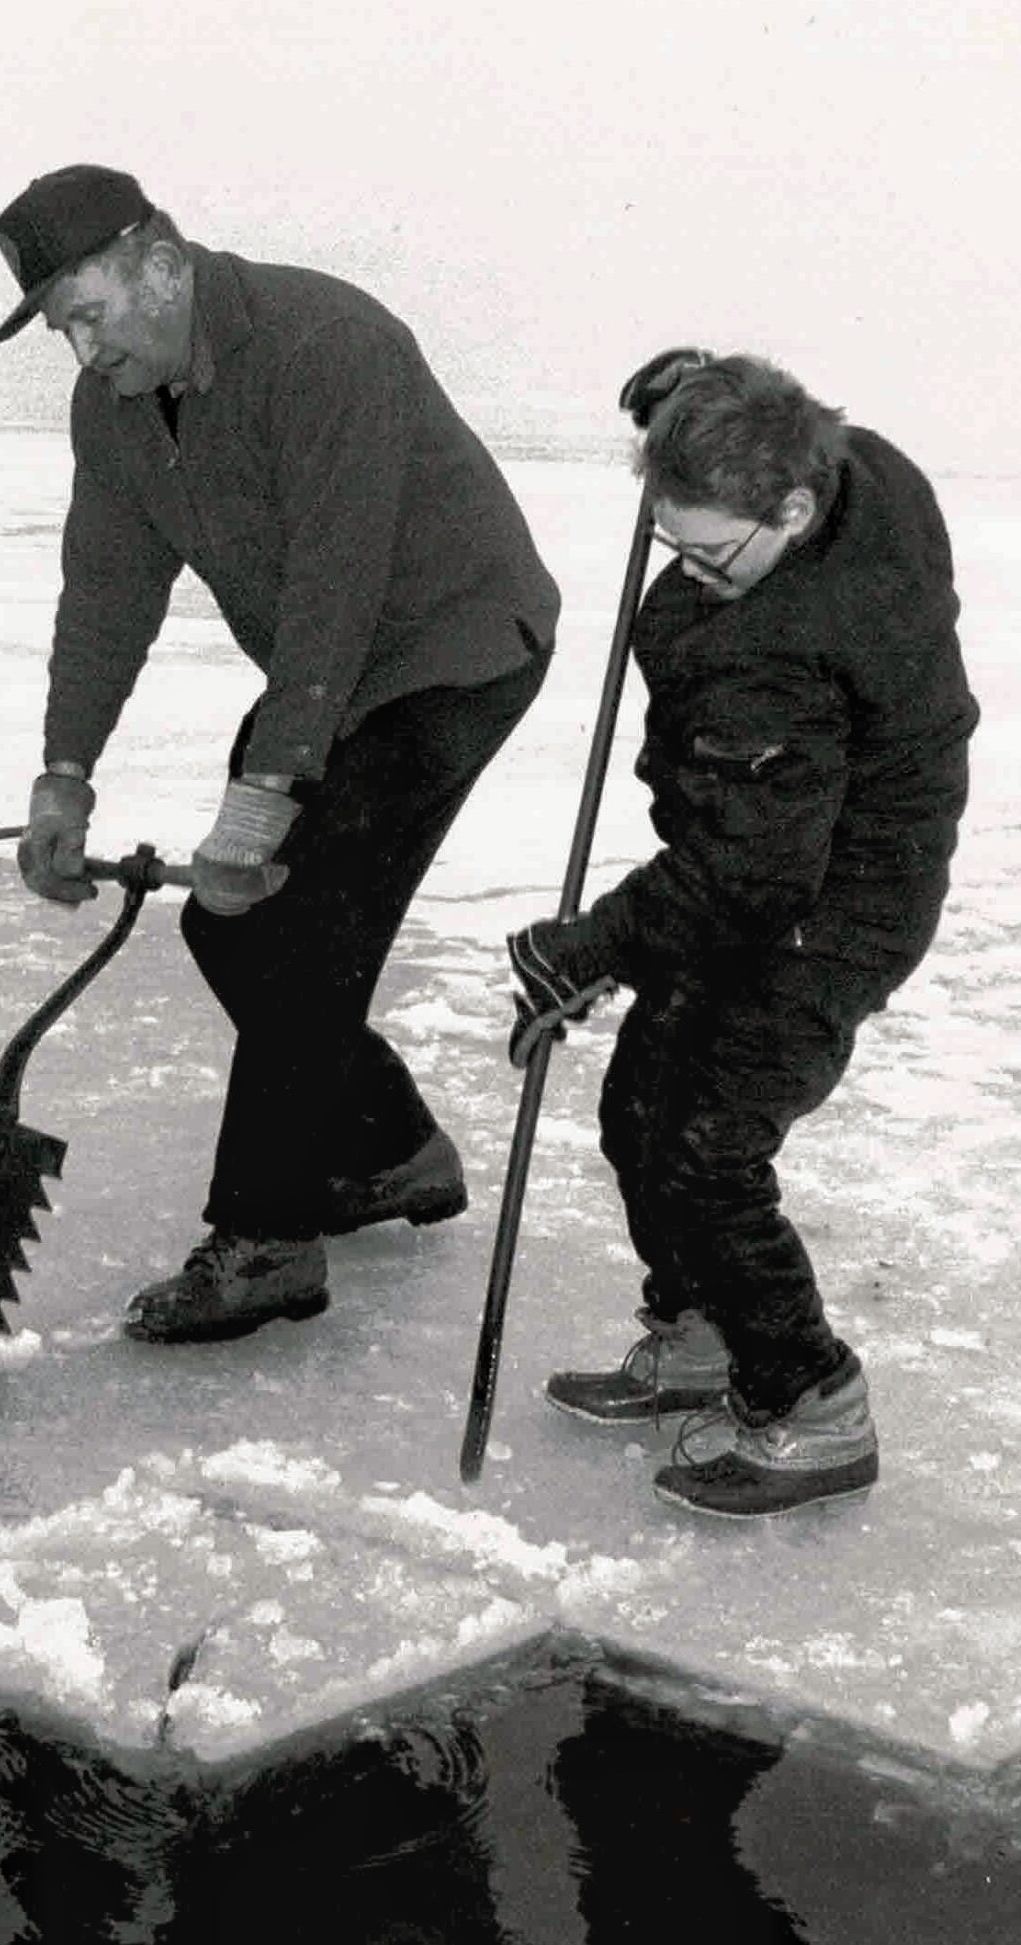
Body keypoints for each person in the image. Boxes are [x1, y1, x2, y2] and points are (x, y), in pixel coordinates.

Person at [0, 164, 560, 1343]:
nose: (82, 349)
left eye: (88, 314)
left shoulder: (324, 344)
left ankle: (267, 1241)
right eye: (61, 329)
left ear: (161, 263)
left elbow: (336, 591)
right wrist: (63, 770)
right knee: (224, 922)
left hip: (453, 647)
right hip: (332, 671)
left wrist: (265, 799)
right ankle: (393, 1150)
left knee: (301, 925)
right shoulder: (115, 408)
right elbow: (104, 591)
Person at [509, 350, 978, 1519]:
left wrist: (589, 947)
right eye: (674, 546)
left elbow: (746, 874)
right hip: (774, 852)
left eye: (715, 553)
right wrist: (696, 383)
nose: (695, 576)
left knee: (707, 1146)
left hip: (840, 899)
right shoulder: (864, 467)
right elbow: (767, 409)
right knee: (638, 1103)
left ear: (793, 509)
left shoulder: (775, 645)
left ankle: (811, 1400)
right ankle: (705, 1331)